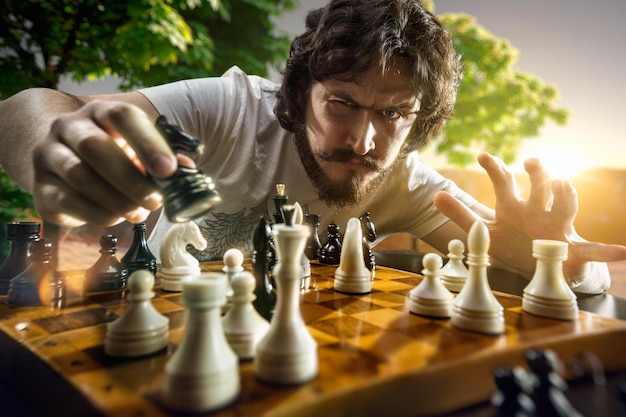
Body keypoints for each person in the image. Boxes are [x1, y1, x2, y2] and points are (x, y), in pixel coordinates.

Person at [0, 0, 624, 294]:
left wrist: (558, 260)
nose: (362, 140)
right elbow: (29, 109)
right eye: (342, 103)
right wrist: (55, 144)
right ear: (299, 95)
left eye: (394, 114)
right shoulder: (231, 108)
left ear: (420, 122)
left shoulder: (410, 184)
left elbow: (565, 269)